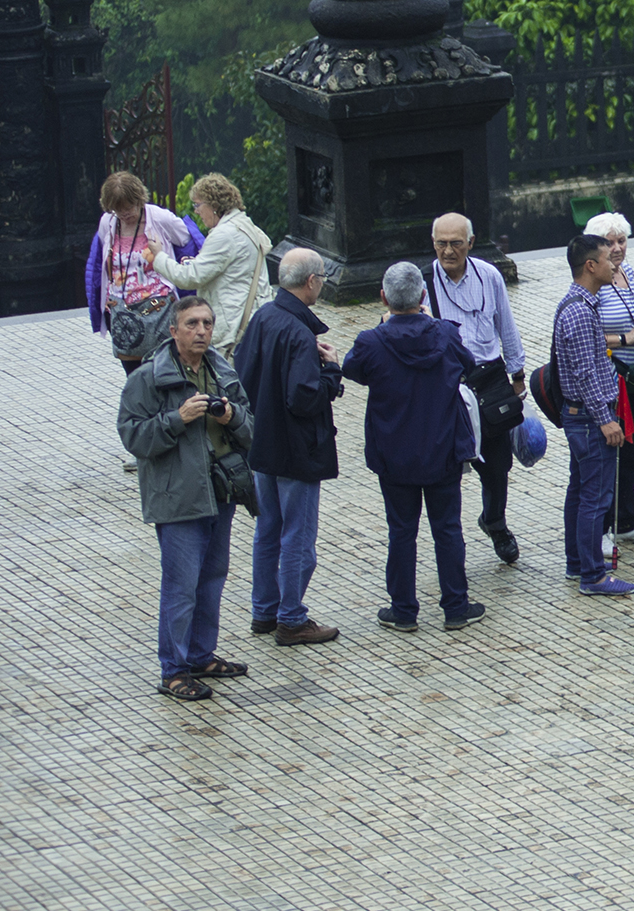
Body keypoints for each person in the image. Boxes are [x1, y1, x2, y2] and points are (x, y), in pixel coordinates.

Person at [118, 295, 256, 701]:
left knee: (212, 578)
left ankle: (200, 654)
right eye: (192, 324)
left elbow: (252, 428)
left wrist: (231, 417)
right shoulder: (147, 378)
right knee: (181, 586)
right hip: (178, 499)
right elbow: (132, 437)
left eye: (207, 324)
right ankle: (173, 670)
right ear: (173, 331)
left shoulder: (222, 369)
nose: (201, 331)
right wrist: (178, 419)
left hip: (222, 492)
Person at [341, 262, 487, 632]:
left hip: (394, 453)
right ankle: (456, 605)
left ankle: (403, 609)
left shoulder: (370, 342)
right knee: (447, 528)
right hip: (442, 449)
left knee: (402, 531)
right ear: (424, 297)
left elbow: (352, 370)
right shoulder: (446, 335)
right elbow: (469, 366)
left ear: (384, 298)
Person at [233, 247, 343, 647]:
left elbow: (241, 375)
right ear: (311, 281)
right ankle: (292, 618)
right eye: (322, 280)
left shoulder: (264, 316)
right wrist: (332, 372)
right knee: (298, 535)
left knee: (268, 530)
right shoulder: (300, 333)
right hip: (297, 450)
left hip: (263, 445)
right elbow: (304, 398)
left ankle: (264, 611)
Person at [425, 213, 528, 564]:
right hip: (447, 386)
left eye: (455, 243)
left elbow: (506, 326)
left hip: (489, 381)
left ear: (470, 243)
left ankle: (494, 521)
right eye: (441, 243)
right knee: (447, 468)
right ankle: (450, 542)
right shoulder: (424, 283)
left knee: (497, 466)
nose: (448, 251)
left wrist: (518, 375)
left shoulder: (489, 276)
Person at [554, 235, 634, 597]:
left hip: (582, 417)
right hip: (588, 419)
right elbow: (586, 372)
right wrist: (606, 419)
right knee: (595, 497)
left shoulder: (580, 304)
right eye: (607, 258)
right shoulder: (579, 311)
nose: (614, 263)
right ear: (590, 265)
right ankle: (592, 575)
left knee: (580, 490)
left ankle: (578, 562)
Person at [584, 211, 634, 549]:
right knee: (607, 458)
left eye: (621, 241)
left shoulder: (626, 272)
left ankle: (626, 520)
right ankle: (599, 528)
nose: (616, 249)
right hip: (608, 378)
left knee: (631, 455)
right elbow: (586, 338)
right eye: (609, 243)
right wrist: (627, 338)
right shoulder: (593, 283)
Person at [146, 173, 272, 360]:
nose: (196, 211)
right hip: (251, 318)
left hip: (232, 327)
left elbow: (189, 278)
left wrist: (159, 257)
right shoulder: (245, 225)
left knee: (227, 385)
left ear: (213, 205)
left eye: (197, 205)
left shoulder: (224, 235)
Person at [89, 170, 200, 379]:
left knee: (164, 370)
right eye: (117, 210)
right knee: (135, 375)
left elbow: (186, 240)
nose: (124, 214)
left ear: (138, 199)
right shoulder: (108, 222)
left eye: (128, 207)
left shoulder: (159, 218)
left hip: (158, 309)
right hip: (122, 310)